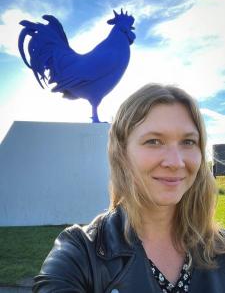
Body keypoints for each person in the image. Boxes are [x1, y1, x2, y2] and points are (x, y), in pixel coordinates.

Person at [33, 84, 225, 293]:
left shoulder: (220, 248)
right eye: (154, 141)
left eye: (188, 141)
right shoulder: (81, 255)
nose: (176, 162)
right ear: (122, 154)